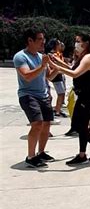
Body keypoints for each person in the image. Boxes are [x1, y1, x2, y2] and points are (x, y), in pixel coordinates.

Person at [50, 33, 90, 165]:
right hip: (84, 95)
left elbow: (74, 73)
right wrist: (58, 62)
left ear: (86, 43)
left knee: (80, 125)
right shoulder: (82, 57)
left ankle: (83, 154)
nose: (76, 44)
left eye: (78, 41)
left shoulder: (88, 58)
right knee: (78, 124)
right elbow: (72, 68)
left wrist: (58, 68)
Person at [14, 29, 57, 168]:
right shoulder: (20, 57)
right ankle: (30, 156)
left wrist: (58, 66)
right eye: (39, 39)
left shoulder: (40, 56)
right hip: (28, 95)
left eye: (43, 39)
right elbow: (27, 76)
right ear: (30, 40)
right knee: (37, 124)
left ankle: (41, 152)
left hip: (43, 95)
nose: (43, 42)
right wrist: (43, 65)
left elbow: (49, 77)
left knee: (46, 124)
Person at [46, 38, 68, 118]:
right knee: (61, 93)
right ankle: (57, 111)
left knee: (61, 93)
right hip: (56, 76)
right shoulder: (53, 54)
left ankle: (57, 108)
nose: (60, 45)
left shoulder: (57, 53)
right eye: (58, 44)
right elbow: (58, 64)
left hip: (59, 75)